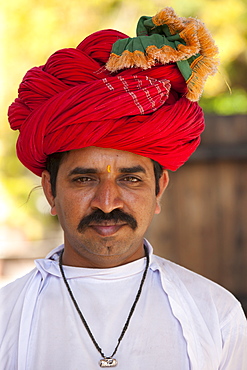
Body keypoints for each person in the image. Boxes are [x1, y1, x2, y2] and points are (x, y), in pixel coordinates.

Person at [1, 6, 246, 369]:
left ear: (159, 189)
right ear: (50, 190)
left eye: (130, 179)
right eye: (84, 179)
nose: (107, 201)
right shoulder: (6, 316)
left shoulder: (216, 314)